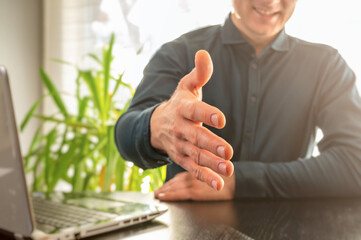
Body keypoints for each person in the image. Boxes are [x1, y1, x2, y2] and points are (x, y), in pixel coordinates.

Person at [115, 0, 361, 201]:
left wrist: (241, 182)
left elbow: (354, 164)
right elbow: (125, 135)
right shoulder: (179, 53)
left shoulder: (326, 65)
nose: (271, 1)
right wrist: (158, 125)